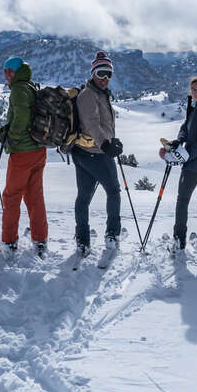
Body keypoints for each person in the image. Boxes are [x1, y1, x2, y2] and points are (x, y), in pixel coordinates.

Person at [0, 56, 49, 256]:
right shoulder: (30, 87)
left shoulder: (19, 90)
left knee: (11, 197)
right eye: (4, 71)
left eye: (9, 71)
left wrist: (11, 138)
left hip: (22, 154)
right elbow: (22, 121)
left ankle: (9, 242)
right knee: (34, 196)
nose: (6, 75)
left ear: (18, 72)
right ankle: (40, 240)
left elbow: (20, 120)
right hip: (38, 150)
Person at [159, 76, 197, 256]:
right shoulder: (195, 109)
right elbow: (185, 129)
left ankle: (182, 242)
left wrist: (182, 157)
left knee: (186, 202)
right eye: (192, 89)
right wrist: (178, 142)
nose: (194, 92)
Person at [71, 52, 124, 256]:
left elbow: (102, 124)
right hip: (96, 153)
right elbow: (92, 124)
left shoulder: (99, 93)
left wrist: (110, 140)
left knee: (83, 198)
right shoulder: (88, 95)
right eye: (101, 73)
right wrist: (106, 145)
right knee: (113, 192)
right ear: (93, 72)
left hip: (86, 152)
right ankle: (112, 235)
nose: (105, 78)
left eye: (109, 74)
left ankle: (82, 240)